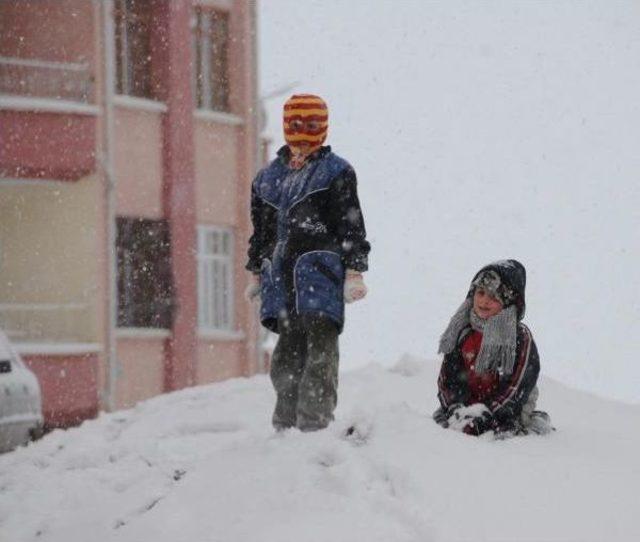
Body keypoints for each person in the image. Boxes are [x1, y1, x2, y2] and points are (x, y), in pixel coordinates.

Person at [245, 94, 370, 432]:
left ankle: (314, 425)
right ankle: (285, 424)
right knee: (286, 356)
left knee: (320, 355)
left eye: (312, 126)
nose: (303, 133)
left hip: (320, 277)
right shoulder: (267, 180)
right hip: (282, 283)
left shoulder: (335, 173)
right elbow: (262, 233)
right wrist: (257, 271)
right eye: (296, 125)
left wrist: (354, 271)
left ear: (324, 128)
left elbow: (351, 227)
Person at [433, 260, 552, 437]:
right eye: (480, 293)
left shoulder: (519, 337)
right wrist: (457, 408)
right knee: (440, 424)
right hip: (468, 406)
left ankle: (531, 427)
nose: (484, 301)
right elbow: (448, 379)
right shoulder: (462, 331)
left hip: (507, 409)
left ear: (509, 302)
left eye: (494, 297)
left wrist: (488, 415)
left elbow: (517, 386)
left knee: (504, 435)